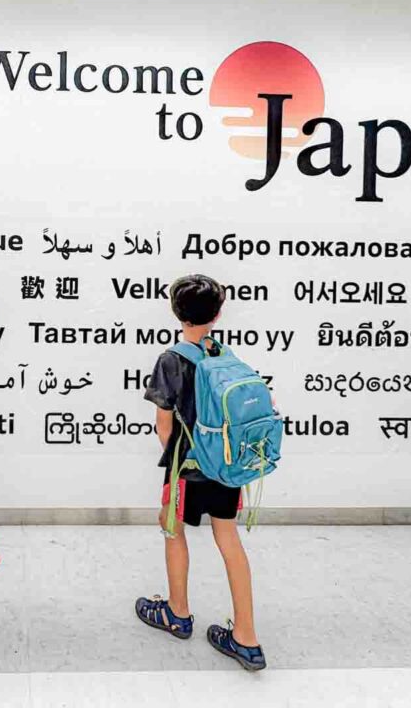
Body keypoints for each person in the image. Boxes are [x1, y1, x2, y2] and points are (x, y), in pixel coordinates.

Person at [135, 274, 267, 670]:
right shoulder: (223, 355)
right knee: (228, 539)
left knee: (173, 530)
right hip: (227, 467)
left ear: (175, 311)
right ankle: (246, 637)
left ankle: (177, 613)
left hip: (188, 467)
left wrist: (180, 461)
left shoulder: (171, 360)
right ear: (219, 313)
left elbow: (164, 425)